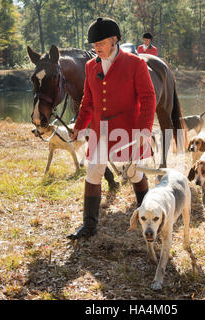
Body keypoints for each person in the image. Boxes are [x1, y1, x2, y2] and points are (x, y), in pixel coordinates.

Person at [67, 17, 157, 240]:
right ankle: (88, 226)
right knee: (93, 172)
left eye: (101, 44)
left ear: (114, 40)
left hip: (129, 129)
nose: (97, 48)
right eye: (94, 45)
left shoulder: (136, 64)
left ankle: (146, 215)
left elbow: (148, 98)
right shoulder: (90, 67)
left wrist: (144, 131)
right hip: (99, 130)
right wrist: (78, 127)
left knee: (135, 173)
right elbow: (88, 100)